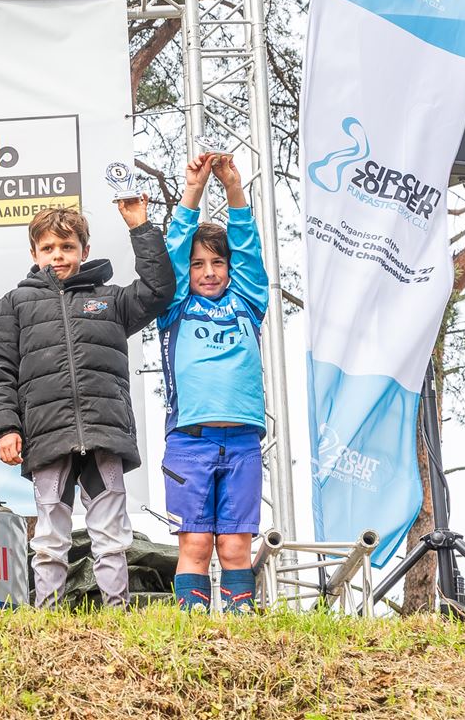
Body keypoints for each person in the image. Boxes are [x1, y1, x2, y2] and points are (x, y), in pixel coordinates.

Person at [0, 199, 175, 608]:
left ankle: (116, 613)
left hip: (103, 431)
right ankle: (47, 616)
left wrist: (140, 227)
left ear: (84, 251)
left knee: (111, 534)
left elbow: (158, 291)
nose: (58, 256)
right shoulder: (15, 304)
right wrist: (5, 428)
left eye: (67, 247)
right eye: (48, 248)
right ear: (34, 253)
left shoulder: (110, 300)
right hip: (47, 435)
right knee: (50, 536)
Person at [159, 154, 269, 612]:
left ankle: (241, 625)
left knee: (235, 545)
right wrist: (194, 191)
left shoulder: (248, 301)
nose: (208, 271)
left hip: (242, 440)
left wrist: (233, 189)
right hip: (190, 439)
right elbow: (170, 255)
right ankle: (192, 627)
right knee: (197, 542)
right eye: (198, 264)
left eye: (218, 262)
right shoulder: (175, 306)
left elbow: (249, 249)